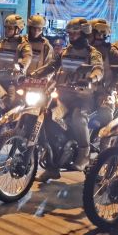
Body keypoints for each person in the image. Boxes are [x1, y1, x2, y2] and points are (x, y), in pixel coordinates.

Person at [32, 18, 103, 181]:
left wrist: (91, 78)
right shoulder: (65, 51)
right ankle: (52, 166)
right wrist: (33, 75)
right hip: (63, 96)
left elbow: (99, 69)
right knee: (47, 116)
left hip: (83, 98)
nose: (71, 36)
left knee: (78, 117)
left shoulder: (93, 53)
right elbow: (51, 66)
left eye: (75, 32)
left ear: (84, 33)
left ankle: (84, 151)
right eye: (70, 33)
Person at [89, 18, 118, 131]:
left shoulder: (112, 52)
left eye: (100, 34)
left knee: (106, 116)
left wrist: (110, 88)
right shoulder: (84, 49)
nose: (98, 36)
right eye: (96, 33)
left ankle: (104, 146)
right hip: (82, 91)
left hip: (104, 92)